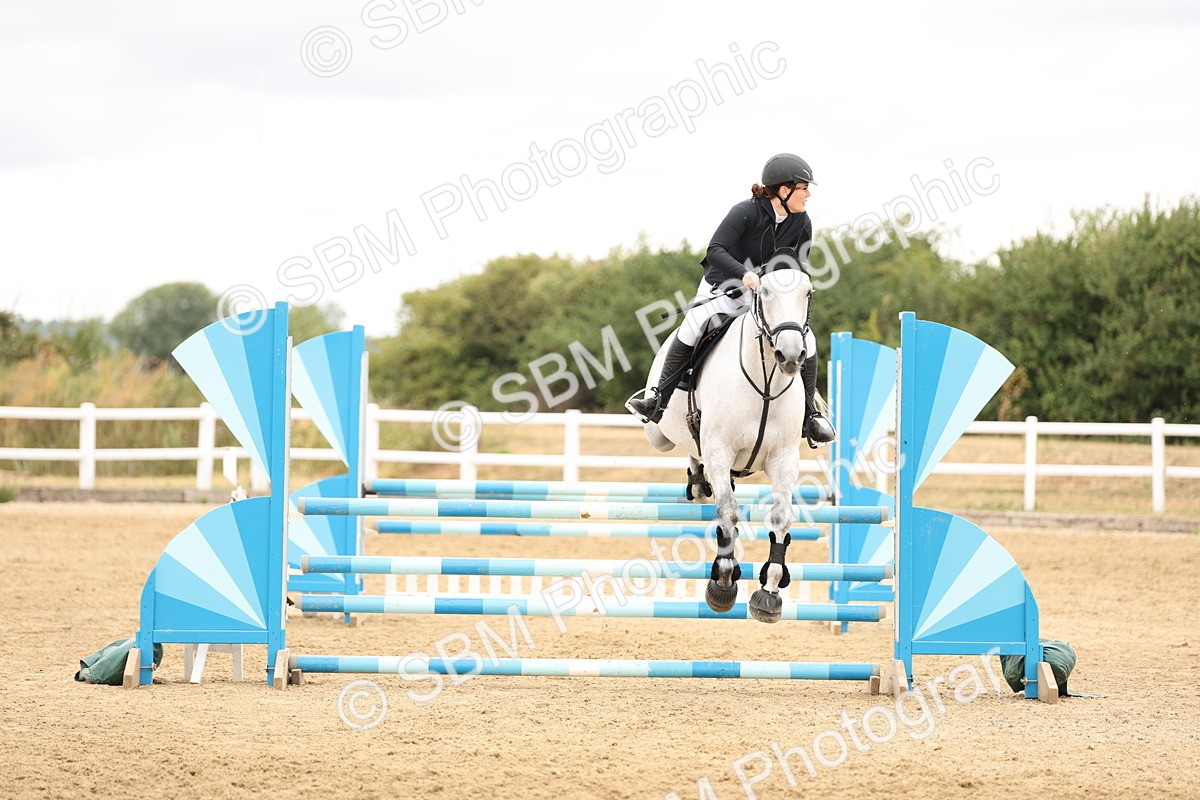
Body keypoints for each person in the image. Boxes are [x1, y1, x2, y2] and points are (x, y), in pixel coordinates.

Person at [626, 153, 836, 447]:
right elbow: (716, 250)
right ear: (784, 190)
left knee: (807, 339)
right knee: (694, 324)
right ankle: (657, 399)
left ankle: (811, 416)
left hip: (766, 299)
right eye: (803, 188)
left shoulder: (802, 222)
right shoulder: (745, 213)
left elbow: (797, 267)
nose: (808, 194)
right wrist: (744, 274)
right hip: (723, 290)